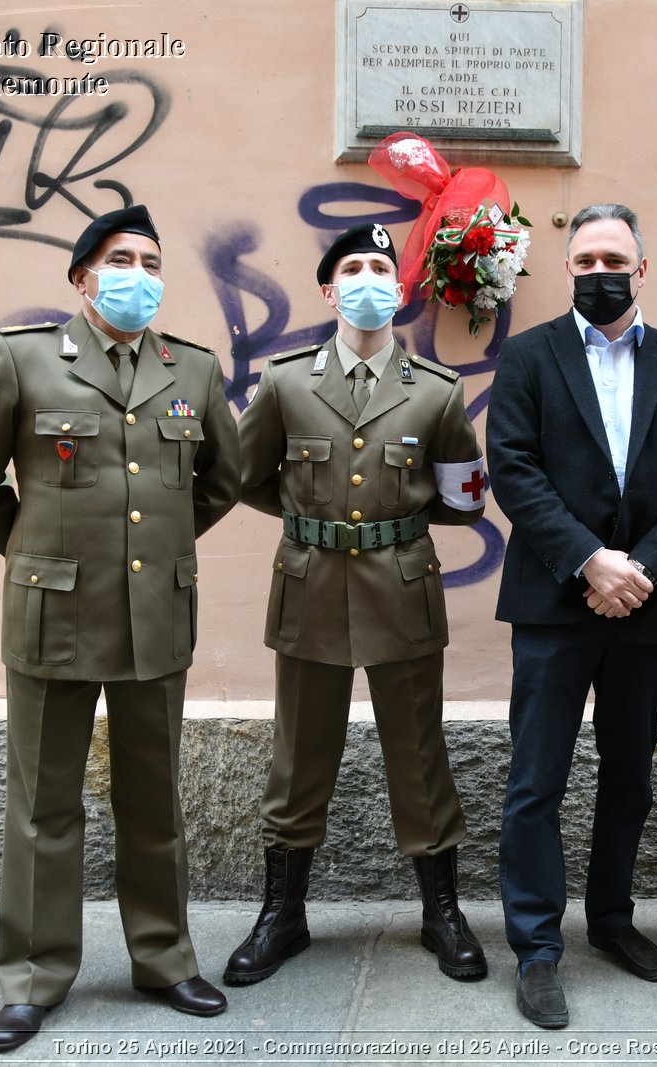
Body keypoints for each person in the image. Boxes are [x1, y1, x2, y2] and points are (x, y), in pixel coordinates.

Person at [0, 205, 241, 1053]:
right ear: (81, 277)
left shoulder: (193, 371)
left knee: (156, 802)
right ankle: (33, 976)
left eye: (150, 259)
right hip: (53, 613)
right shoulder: (26, 359)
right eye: (118, 259)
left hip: (154, 616)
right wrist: (34, 548)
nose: (137, 274)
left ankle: (165, 958)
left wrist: (159, 549)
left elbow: (222, 479)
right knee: (43, 806)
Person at [227, 222, 489, 987]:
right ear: (328, 289)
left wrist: (391, 524)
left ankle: (441, 910)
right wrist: (311, 518)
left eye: (382, 266)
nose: (370, 278)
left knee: (419, 753)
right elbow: (244, 475)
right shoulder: (284, 382)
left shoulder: (439, 390)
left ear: (399, 288)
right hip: (309, 585)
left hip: (402, 587)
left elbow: (466, 499)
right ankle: (284, 913)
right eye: (354, 268)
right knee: (299, 754)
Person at [487, 203, 657, 1029]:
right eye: (583, 260)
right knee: (535, 781)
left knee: (629, 776)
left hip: (648, 609)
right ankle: (537, 947)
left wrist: (640, 571)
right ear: (568, 270)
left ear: (642, 269)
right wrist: (591, 561)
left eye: (612, 258)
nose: (597, 272)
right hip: (555, 602)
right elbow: (513, 471)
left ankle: (612, 919)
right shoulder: (526, 357)